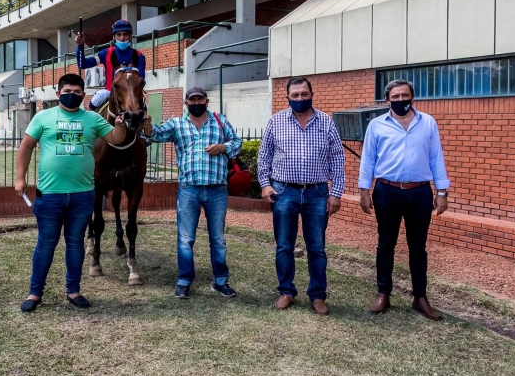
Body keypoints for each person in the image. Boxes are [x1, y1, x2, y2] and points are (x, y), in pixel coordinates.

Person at [15, 73, 127, 313]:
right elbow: (25, 147)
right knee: (46, 244)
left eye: (77, 92)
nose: (72, 95)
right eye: (67, 91)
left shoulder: (92, 119)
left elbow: (116, 139)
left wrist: (119, 126)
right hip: (50, 194)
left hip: (82, 194)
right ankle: (35, 293)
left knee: (75, 243)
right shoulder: (43, 117)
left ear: (83, 95)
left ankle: (73, 291)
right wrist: (20, 178)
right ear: (58, 94)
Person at [358, 79, 450, 321]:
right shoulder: (376, 125)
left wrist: (442, 192)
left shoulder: (427, 123)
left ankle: (420, 297)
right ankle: (383, 294)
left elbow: (436, 158)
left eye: (405, 95)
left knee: (418, 247)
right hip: (387, 192)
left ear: (412, 97)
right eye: (395, 97)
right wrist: (364, 191)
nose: (401, 100)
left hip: (419, 193)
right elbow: (367, 160)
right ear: (387, 100)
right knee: (386, 244)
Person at [142, 87, 242, 299]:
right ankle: (184, 280)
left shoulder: (220, 121)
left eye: (200, 99)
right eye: (192, 100)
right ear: (186, 103)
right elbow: (154, 135)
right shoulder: (178, 124)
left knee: (218, 238)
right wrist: (148, 126)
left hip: (217, 189)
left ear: (207, 101)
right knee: (185, 238)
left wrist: (222, 148)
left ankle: (221, 281)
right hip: (189, 189)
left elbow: (237, 143)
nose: (197, 102)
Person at [257, 76, 345, 316]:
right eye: (295, 95)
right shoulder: (276, 121)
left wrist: (335, 193)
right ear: (288, 97)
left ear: (311, 94)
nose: (299, 99)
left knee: (316, 247)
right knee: (284, 245)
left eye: (304, 94)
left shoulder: (326, 122)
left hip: (317, 193)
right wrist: (266, 185)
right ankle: (286, 291)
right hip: (285, 191)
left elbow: (338, 158)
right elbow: (264, 156)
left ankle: (317, 295)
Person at [75, 19, 147, 110]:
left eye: (125, 34)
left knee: (144, 106)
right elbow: (83, 64)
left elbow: (141, 81)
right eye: (119, 34)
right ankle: (89, 120)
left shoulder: (140, 56)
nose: (122, 38)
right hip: (109, 92)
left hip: (132, 94)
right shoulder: (105, 53)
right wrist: (80, 46)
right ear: (114, 36)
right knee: (98, 98)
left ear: (130, 36)